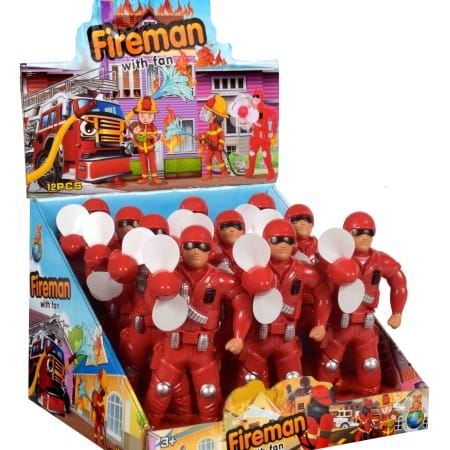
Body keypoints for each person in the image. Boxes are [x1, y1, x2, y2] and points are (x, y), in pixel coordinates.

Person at [143, 225, 252, 427]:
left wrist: (239, 336)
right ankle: (147, 429)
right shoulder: (170, 275)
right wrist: (157, 284)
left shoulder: (219, 279)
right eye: (190, 245)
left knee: (208, 392)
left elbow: (242, 303)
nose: (196, 251)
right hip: (173, 345)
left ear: (210, 250)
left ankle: (213, 432)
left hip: (204, 348)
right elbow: (150, 303)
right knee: (161, 390)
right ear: (181, 248)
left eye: (202, 246)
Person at [317, 211, 408, 396]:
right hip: (341, 323)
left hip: (366, 324)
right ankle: (321, 398)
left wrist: (397, 312)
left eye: (369, 232)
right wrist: (321, 322)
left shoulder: (380, 260)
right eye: (358, 232)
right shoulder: (335, 260)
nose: (365, 237)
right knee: (330, 365)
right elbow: (320, 291)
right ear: (347, 235)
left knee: (370, 365)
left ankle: (371, 398)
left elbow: (399, 281)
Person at [237, 218, 331, 387]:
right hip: (259, 337)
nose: (283, 245)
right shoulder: (254, 270)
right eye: (277, 240)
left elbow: (322, 294)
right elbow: (241, 305)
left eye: (288, 240)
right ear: (266, 242)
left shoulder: (303, 271)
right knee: (250, 383)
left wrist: (321, 324)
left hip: (287, 338)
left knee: (294, 384)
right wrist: (239, 336)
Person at [245, 88, 278, 181]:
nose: (255, 98)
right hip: (255, 135)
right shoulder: (252, 108)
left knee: (265, 154)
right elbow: (251, 120)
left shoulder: (264, 109)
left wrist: (272, 131)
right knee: (252, 153)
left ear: (261, 98)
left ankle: (271, 172)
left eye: (258, 96)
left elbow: (261, 122)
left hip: (263, 135)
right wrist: (247, 115)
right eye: (254, 96)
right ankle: (251, 171)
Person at [128, 96, 163, 185]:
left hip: (150, 149)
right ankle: (145, 178)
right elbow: (126, 121)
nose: (145, 118)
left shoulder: (153, 127)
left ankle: (154, 177)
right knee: (143, 164)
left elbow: (156, 138)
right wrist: (132, 112)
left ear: (153, 115)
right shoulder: (137, 126)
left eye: (149, 115)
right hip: (141, 150)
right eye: (142, 115)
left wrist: (153, 138)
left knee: (152, 163)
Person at [198, 94, 229, 180]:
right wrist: (202, 139)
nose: (206, 116)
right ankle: (209, 174)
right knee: (208, 159)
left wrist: (220, 145)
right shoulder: (210, 127)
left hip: (216, 148)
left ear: (214, 116)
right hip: (211, 147)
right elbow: (207, 137)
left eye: (208, 113)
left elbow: (221, 137)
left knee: (220, 160)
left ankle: (224, 172)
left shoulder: (217, 127)